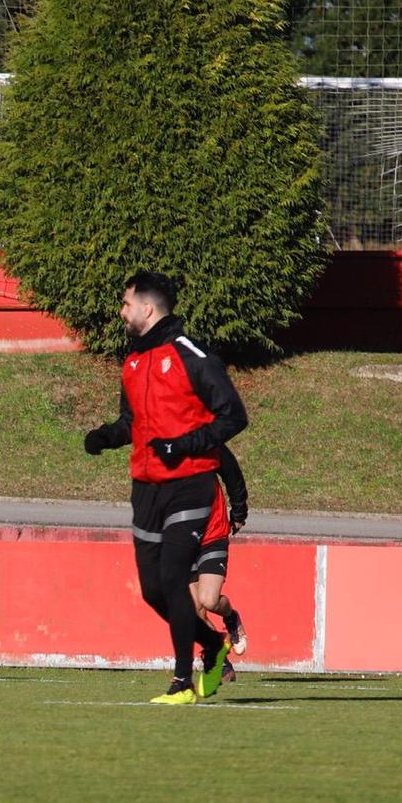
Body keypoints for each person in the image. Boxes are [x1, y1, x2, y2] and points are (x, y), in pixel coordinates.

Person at [84, 271, 247, 705]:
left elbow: (233, 415)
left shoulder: (191, 353)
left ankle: (181, 683)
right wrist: (104, 436)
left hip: (191, 484)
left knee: (175, 577)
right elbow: (131, 424)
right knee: (154, 590)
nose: (121, 311)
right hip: (146, 488)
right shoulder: (132, 362)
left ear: (147, 308)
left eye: (125, 303)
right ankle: (212, 646)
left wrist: (186, 444)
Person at [189, 444, 249, 667]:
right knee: (194, 610)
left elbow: (231, 472)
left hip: (212, 534)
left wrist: (239, 510)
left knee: (209, 600)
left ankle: (230, 616)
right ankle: (220, 660)